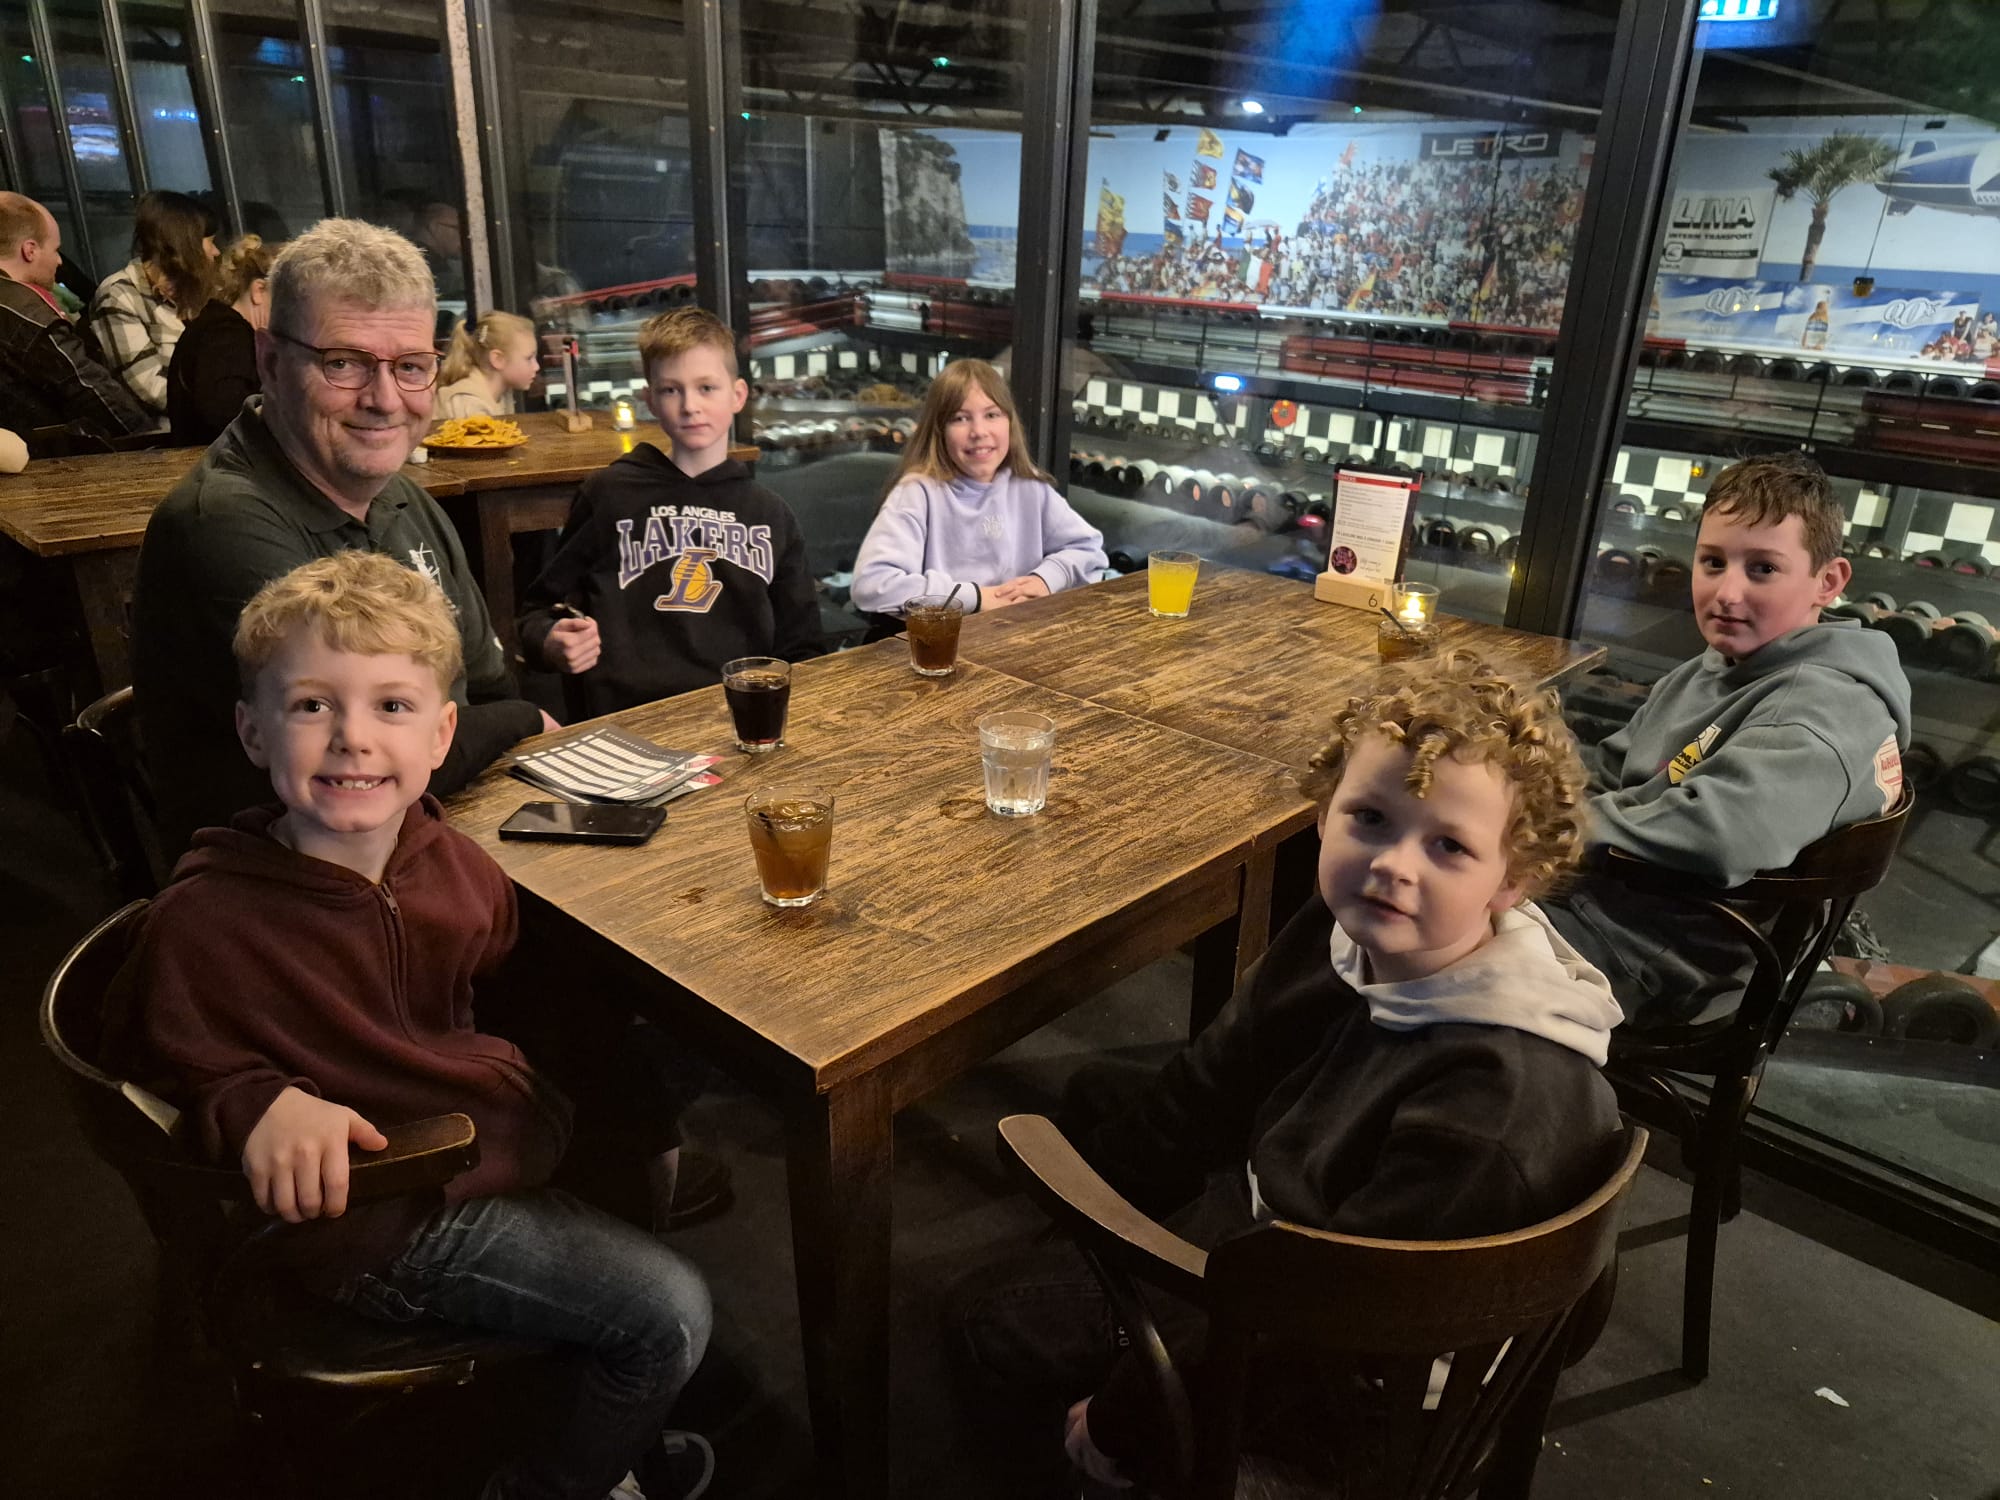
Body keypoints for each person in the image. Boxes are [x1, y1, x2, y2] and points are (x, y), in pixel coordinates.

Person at [106, 551, 715, 1500]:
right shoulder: (207, 918)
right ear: (253, 730)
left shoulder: (447, 858)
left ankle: (568, 1390)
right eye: (312, 705)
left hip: (475, 1140)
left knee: (651, 1098)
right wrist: (257, 1103)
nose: (352, 738)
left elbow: (502, 964)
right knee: (670, 1316)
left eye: (391, 706)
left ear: (441, 736)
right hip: (379, 1220)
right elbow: (145, 1062)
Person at [950, 656, 1624, 1494]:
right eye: (1369, 818)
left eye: (1449, 845)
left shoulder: (1487, 1110)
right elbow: (1211, 1084)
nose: (1394, 864)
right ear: (1323, 812)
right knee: (1092, 1128)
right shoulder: (1349, 930)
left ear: (1512, 879)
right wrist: (1092, 1237)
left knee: (985, 1327)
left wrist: (1127, 1419)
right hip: (1286, 1260)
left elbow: (1322, 1329)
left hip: (1360, 1403)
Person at [133, 217, 553, 859]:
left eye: (411, 366)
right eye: (345, 363)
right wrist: (523, 721)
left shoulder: (404, 497)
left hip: (431, 837)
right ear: (271, 363)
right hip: (284, 882)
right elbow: (366, 760)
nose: (385, 399)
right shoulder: (220, 523)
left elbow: (488, 687)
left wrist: (504, 721)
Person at [1543, 453, 1911, 1029]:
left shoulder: (1820, 708)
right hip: (1614, 904)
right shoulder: (1714, 668)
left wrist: (1547, 830)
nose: (1727, 592)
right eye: (1713, 562)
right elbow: (1615, 770)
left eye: (1762, 569)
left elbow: (1722, 834)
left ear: (1828, 582)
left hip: (1667, 961)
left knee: (1418, 934)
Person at [518, 306, 822, 719]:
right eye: (670, 390)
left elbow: (804, 650)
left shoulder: (771, 515)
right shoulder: (609, 494)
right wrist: (551, 640)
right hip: (625, 719)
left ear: (738, 395)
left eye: (706, 388)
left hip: (737, 720)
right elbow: (536, 612)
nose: (690, 405)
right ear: (650, 400)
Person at [850, 358, 1107, 617]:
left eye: (992, 415)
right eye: (960, 418)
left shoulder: (1030, 487)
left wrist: (1045, 580)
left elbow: (1088, 549)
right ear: (938, 431)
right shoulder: (918, 493)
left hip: (1020, 632)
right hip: (946, 639)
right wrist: (976, 597)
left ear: (1010, 423)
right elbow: (872, 584)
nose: (979, 431)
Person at [0, 192, 150, 450]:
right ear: (30, 250)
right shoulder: (27, 316)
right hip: (40, 460)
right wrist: (150, 439)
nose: (59, 260)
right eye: (55, 249)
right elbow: (89, 388)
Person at [89, 189, 221, 424]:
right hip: (168, 434)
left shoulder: (197, 289)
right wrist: (221, 409)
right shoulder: (119, 295)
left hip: (209, 423)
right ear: (185, 243)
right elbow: (149, 388)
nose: (216, 252)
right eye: (210, 242)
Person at [166, 233, 280, 446]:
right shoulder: (226, 334)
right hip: (209, 460)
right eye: (289, 299)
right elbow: (224, 412)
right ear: (259, 290)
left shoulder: (220, 327)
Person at [436, 310, 540, 418]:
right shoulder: (471, 404)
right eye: (529, 358)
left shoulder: (500, 395)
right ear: (498, 359)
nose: (537, 367)